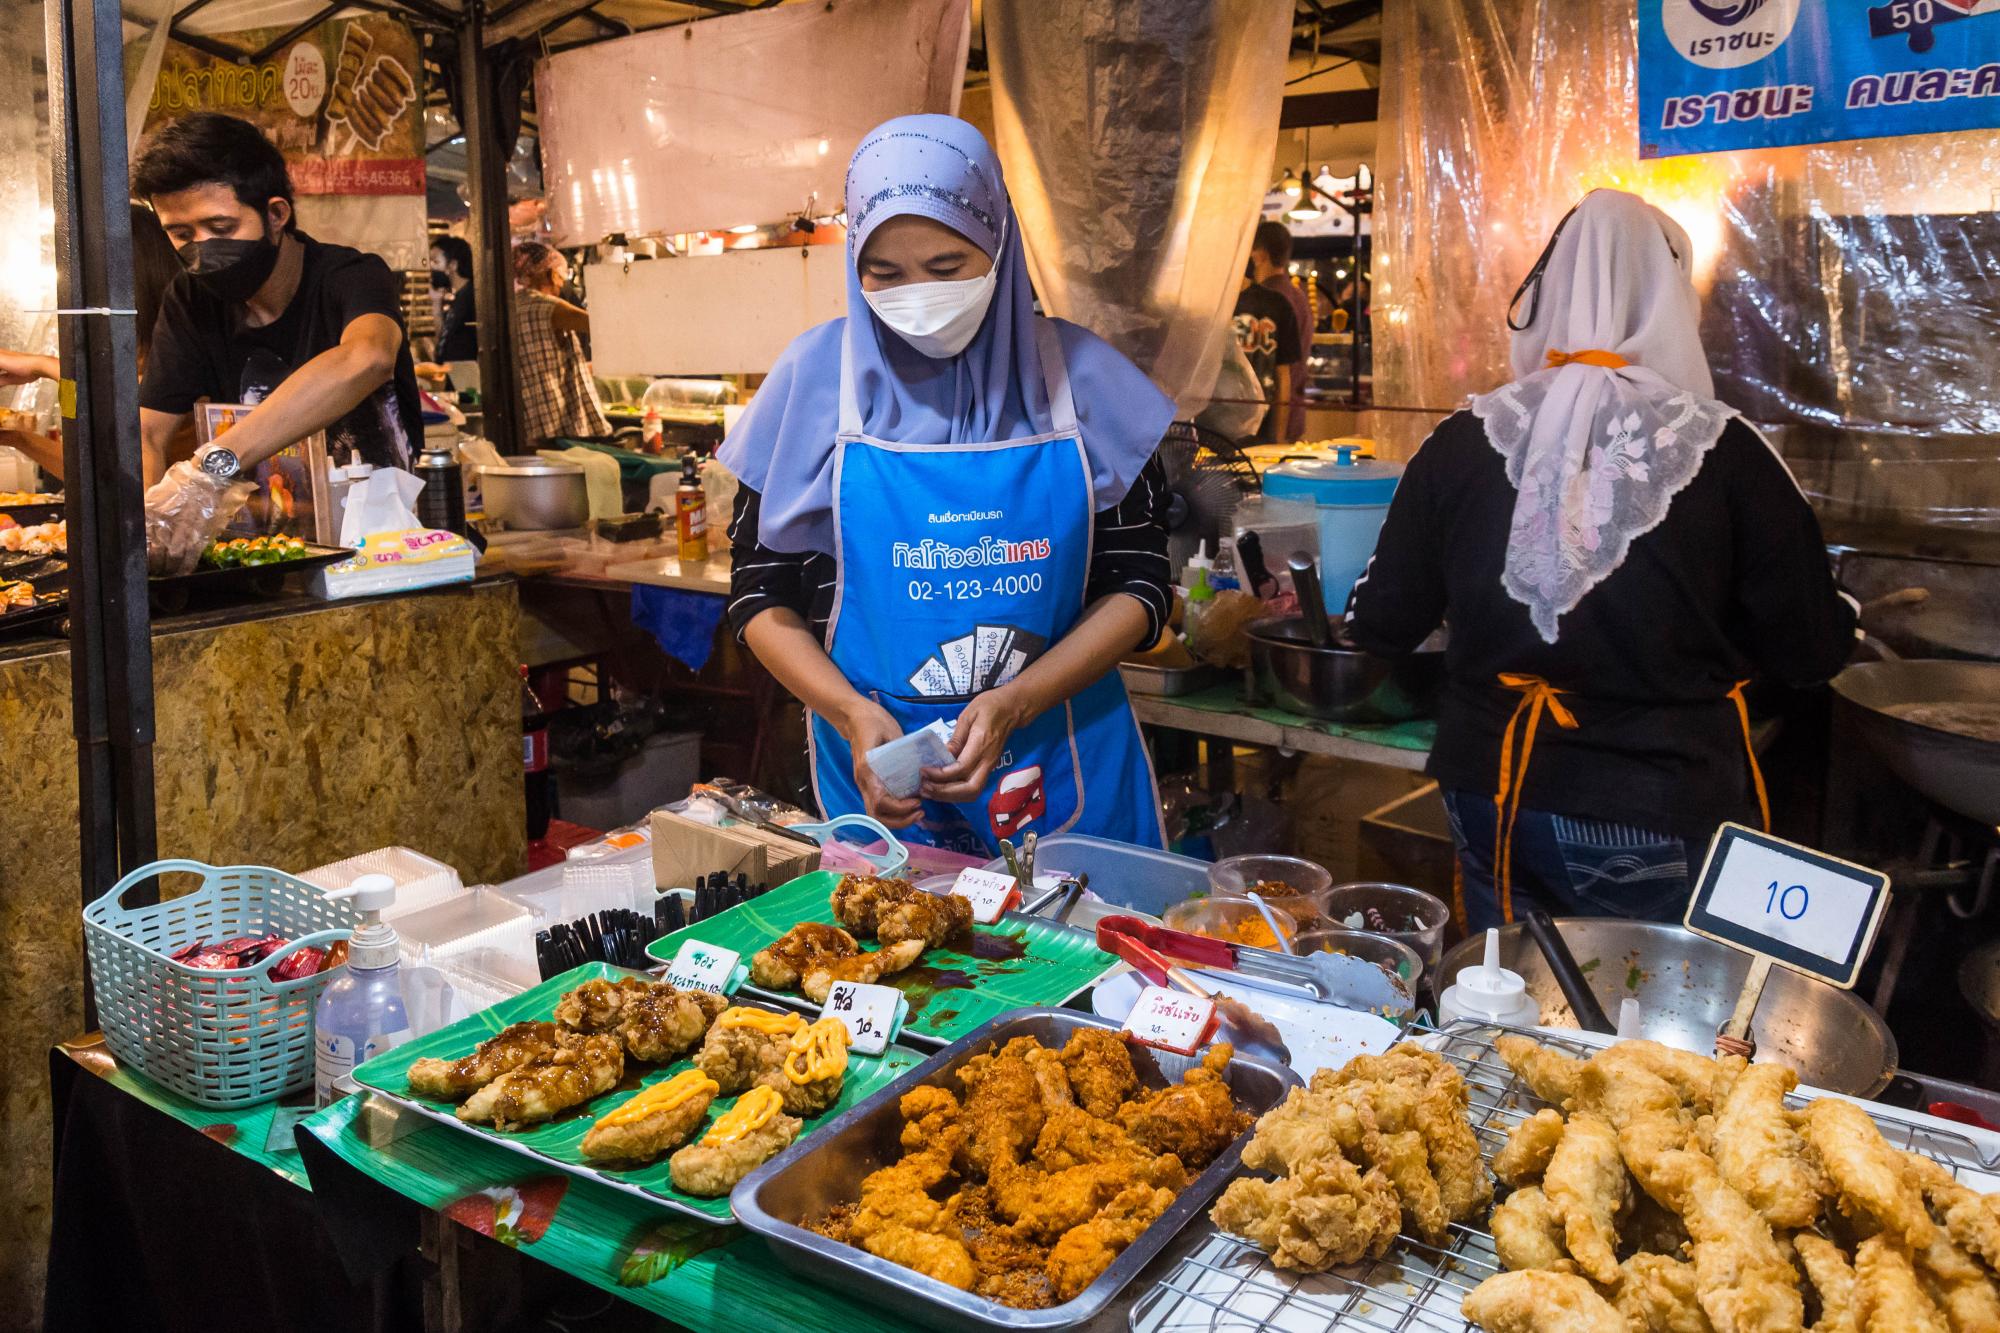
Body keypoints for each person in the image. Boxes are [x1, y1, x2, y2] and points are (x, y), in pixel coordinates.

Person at [1344, 189, 1858, 931]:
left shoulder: (1461, 440)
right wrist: (1843, 613)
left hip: (1490, 788)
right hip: (1650, 803)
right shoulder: (1728, 451)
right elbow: (1811, 649)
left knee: (1511, 1015)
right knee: (1648, 1029)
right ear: (1671, 300)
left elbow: (1379, 619)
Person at [720, 114, 1178, 856]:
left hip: (1066, 765)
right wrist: (850, 716)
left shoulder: (1081, 382)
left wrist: (1019, 698)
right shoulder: (813, 385)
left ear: (998, 241)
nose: (917, 297)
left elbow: (1142, 584)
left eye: (945, 266)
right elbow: (758, 594)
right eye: (885, 273)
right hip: (877, 773)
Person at [132, 111, 420, 495]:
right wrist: (145, 528)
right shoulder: (189, 299)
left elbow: (369, 357)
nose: (202, 250)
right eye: (181, 233)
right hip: (263, 542)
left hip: (382, 538)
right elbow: (148, 431)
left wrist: (216, 461)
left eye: (221, 229)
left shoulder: (351, 275)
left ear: (276, 214)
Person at [0, 205, 182, 481]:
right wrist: (16, 437)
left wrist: (43, 366)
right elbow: (92, 478)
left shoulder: (181, 346)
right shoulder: (103, 348)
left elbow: (140, 470)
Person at [511, 240, 610, 447]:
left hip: (529, 415)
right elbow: (602, 326)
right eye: (561, 275)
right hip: (555, 415)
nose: (562, 283)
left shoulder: (514, 305)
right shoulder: (550, 306)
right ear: (550, 273)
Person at [1250, 219, 1311, 441]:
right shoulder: (1298, 296)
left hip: (1271, 420)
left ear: (1260, 255)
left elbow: (1280, 372)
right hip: (1294, 413)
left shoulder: (1267, 301)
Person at [1230, 257, 1301, 446]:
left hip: (1262, 431)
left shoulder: (1277, 304)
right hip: (1210, 431)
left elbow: (1283, 376)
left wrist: (1278, 438)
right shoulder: (1205, 305)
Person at [429, 234, 478, 365]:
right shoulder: (457, 297)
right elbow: (444, 337)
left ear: (453, 265)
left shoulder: (472, 296)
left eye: (435, 261)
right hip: (453, 376)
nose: (430, 268)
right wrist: (436, 303)